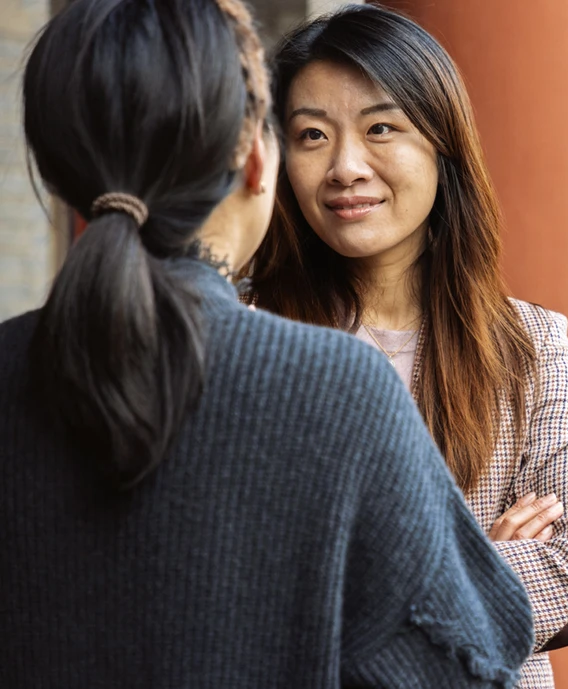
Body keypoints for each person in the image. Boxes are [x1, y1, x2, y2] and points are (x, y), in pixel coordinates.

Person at [0, 0, 533, 686]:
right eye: (309, 134)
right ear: (259, 156)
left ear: (56, 171)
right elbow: (469, 662)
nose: (346, 166)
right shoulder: (336, 390)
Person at [246, 6, 568, 686]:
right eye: (311, 135)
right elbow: (239, 586)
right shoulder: (246, 339)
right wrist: (473, 563)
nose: (345, 167)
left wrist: (354, 590)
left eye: (381, 128)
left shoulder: (529, 346)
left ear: (443, 144)